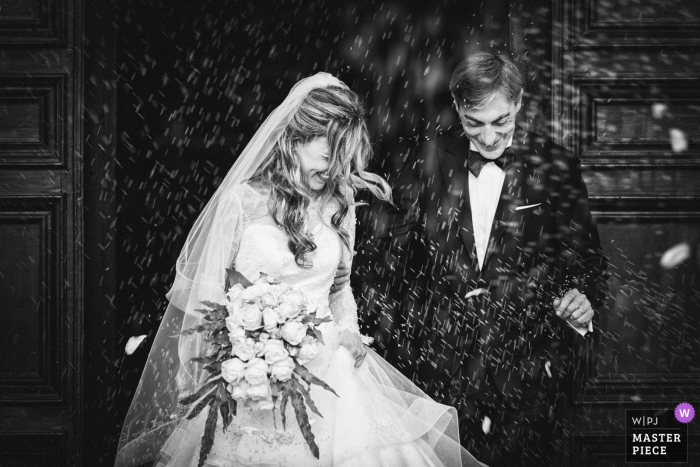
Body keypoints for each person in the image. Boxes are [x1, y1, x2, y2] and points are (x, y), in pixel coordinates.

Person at [114, 73, 484, 467]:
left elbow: (339, 289)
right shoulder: (242, 203)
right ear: (295, 139)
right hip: (251, 379)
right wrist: (240, 353)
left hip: (332, 376)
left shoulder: (339, 202)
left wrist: (349, 331)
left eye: (343, 160)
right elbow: (206, 298)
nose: (335, 171)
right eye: (328, 158)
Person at [355, 53, 608, 466]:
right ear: (457, 108)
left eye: (501, 121)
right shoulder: (424, 161)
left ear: (519, 102)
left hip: (526, 373)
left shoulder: (555, 166)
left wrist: (579, 295)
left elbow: (587, 262)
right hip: (438, 371)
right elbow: (390, 264)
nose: (489, 138)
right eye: (475, 123)